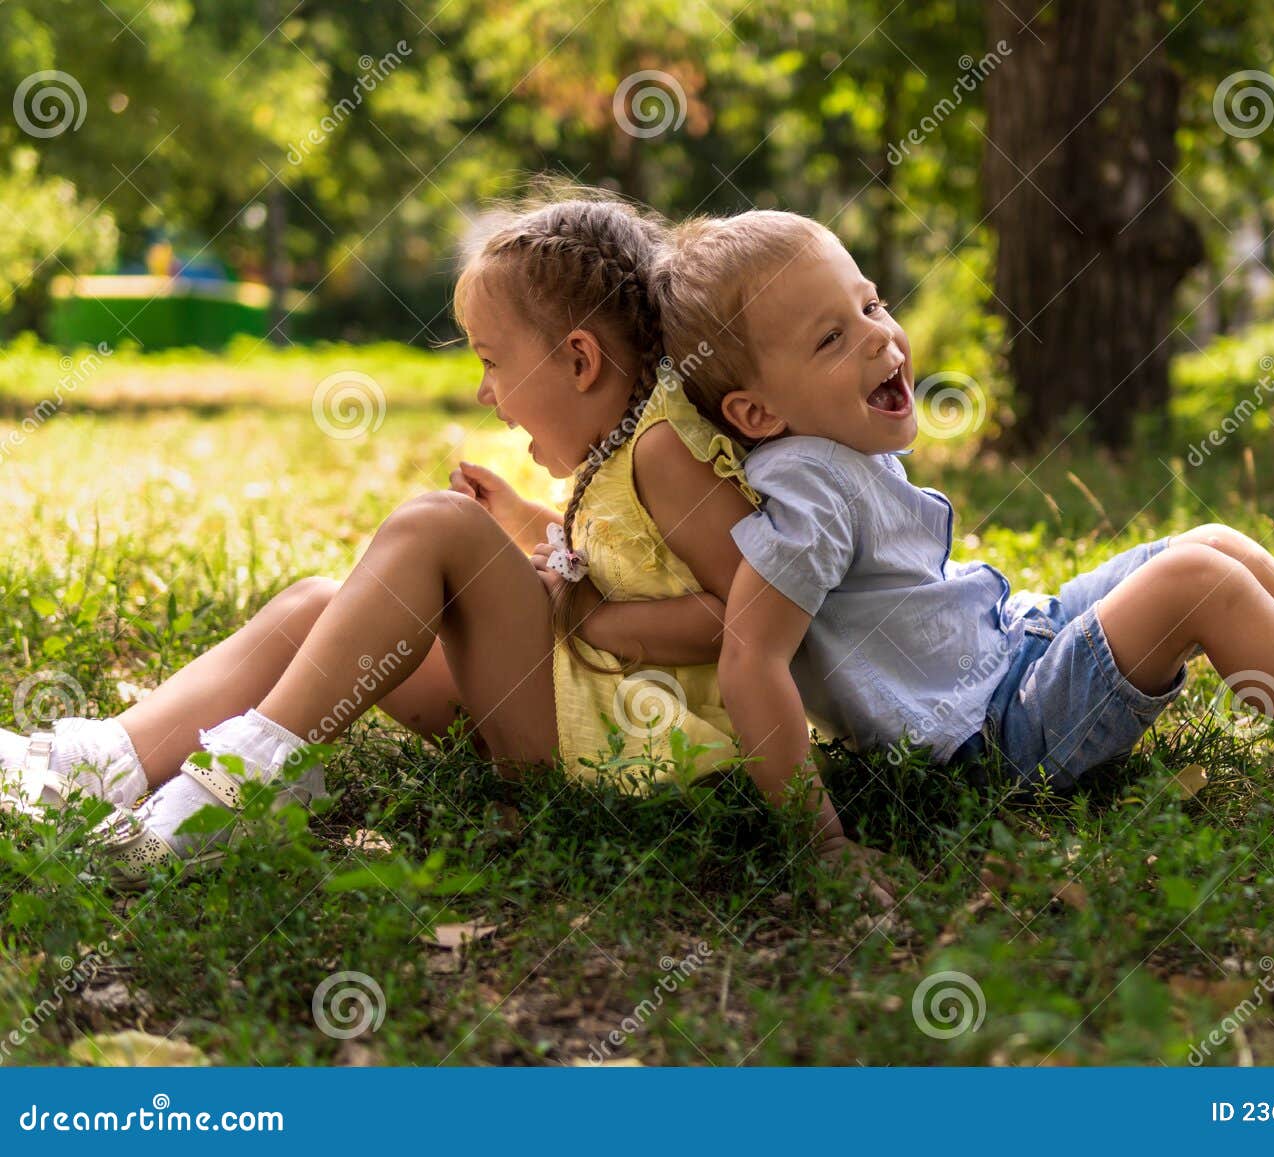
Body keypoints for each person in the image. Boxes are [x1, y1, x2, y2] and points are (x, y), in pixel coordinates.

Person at [651, 209, 1274, 882]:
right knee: (1196, 580)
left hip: (1014, 646)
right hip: (995, 737)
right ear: (756, 412)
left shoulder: (831, 446)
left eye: (871, 302)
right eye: (831, 336)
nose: (882, 339)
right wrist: (825, 848)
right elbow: (749, 660)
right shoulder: (806, 486)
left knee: (1210, 539)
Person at [1, 196, 757, 889]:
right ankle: (101, 762)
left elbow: (744, 617)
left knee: (437, 526)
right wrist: (531, 525)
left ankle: (239, 787)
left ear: (580, 360)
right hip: (571, 704)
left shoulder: (666, 450)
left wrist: (583, 616)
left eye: (493, 362)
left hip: (623, 747)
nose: (485, 392)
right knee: (314, 609)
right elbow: (637, 567)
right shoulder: (623, 447)